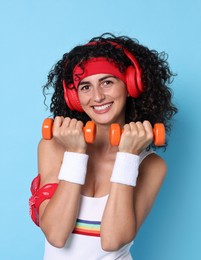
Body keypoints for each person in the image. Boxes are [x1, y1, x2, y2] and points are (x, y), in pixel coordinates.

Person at [29, 33, 177, 259]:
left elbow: (112, 241)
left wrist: (127, 156)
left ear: (130, 86)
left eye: (107, 82)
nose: (97, 97)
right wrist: (76, 153)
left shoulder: (151, 165)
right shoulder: (53, 147)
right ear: (74, 97)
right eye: (85, 87)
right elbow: (56, 235)